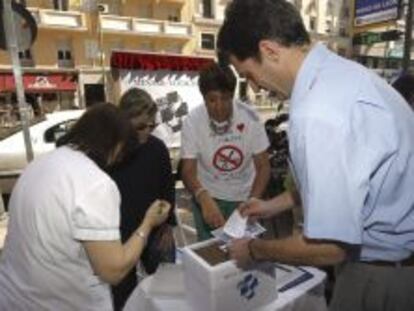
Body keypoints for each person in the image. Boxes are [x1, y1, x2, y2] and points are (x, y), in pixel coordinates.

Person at [217, 0, 414, 310]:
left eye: (249, 75)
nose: (254, 88)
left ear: (269, 51)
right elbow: (346, 183)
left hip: (380, 277)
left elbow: (331, 247)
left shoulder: (317, 113)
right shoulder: (340, 74)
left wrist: (254, 249)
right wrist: (271, 206)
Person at [0, 103, 171, 311]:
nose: (119, 159)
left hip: (15, 297)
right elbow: (113, 271)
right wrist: (148, 223)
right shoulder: (95, 183)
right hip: (60, 303)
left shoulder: (39, 164)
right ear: (115, 144)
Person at [180, 62, 270, 241]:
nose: (219, 106)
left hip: (244, 195)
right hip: (209, 196)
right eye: (212, 100)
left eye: (226, 98)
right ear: (203, 98)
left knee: (246, 253)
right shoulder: (192, 121)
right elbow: (188, 170)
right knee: (212, 253)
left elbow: (263, 167)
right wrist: (202, 197)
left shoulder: (250, 117)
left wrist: (252, 201)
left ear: (233, 95)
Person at [110, 88, 176, 310]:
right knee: (123, 299)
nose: (147, 132)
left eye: (152, 125)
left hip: (156, 232)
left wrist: (169, 225)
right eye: (140, 126)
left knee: (167, 293)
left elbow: (168, 187)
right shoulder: (111, 152)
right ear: (123, 121)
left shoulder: (157, 148)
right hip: (119, 236)